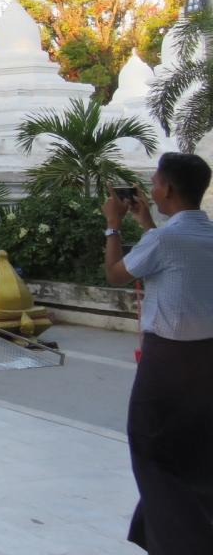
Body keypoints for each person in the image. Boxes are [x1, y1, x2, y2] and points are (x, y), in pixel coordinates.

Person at [103, 152, 213, 553]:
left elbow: (115, 274)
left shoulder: (164, 240)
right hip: (207, 359)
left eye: (153, 183)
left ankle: (181, 542)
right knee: (196, 452)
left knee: (150, 449)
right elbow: (168, 258)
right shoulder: (199, 235)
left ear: (166, 189)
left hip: (169, 361)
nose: (150, 189)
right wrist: (146, 223)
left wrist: (113, 226)